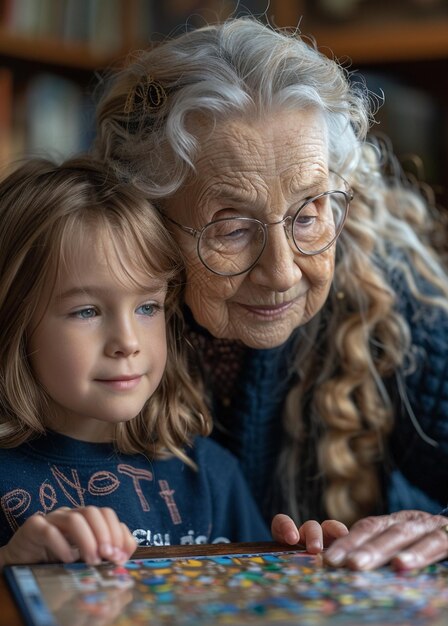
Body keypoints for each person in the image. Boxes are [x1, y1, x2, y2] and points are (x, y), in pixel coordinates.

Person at [94, 17, 448, 575]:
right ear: (147, 223)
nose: (282, 273)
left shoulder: (377, 296)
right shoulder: (84, 316)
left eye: (308, 213)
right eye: (231, 228)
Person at [0, 156, 345, 569]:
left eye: (147, 307)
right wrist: (8, 566)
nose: (127, 343)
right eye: (87, 311)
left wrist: (302, 568)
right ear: (14, 320)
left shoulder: (210, 476)